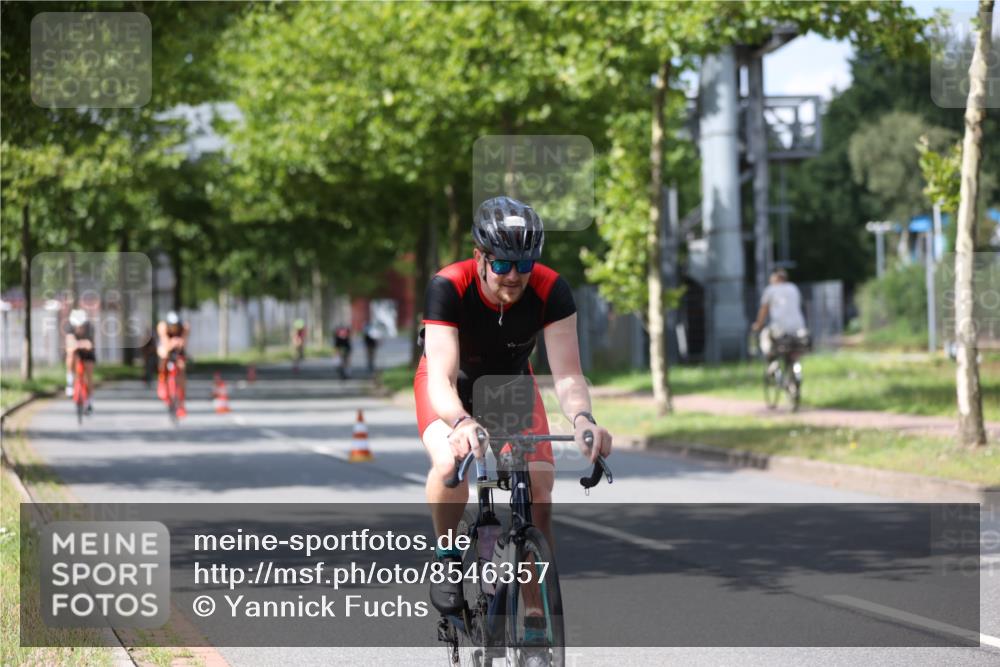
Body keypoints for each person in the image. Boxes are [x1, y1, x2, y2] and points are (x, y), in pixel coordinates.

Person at [415, 195, 613, 617]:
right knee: (449, 464)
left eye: (523, 264)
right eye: (502, 264)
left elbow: (568, 376)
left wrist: (583, 419)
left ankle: (536, 617)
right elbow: (441, 379)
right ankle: (447, 556)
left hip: (511, 385)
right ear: (479, 257)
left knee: (539, 488)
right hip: (450, 386)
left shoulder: (551, 289)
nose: (513, 276)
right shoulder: (448, 285)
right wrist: (461, 422)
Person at [751, 268, 808, 359]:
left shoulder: (770, 290)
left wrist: (758, 324)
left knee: (765, 338)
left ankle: (771, 361)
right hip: (798, 327)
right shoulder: (793, 288)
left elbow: (763, 310)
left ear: (775, 278)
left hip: (779, 328)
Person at [157, 311, 190, 417]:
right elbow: (165, 343)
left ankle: (181, 402)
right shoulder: (162, 326)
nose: (174, 328)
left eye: (176, 325)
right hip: (166, 347)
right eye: (172, 326)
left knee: (182, 367)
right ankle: (162, 381)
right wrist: (173, 343)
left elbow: (184, 343)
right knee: (163, 355)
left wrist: (179, 344)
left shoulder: (185, 327)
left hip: (178, 350)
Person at [65, 309, 95, 412]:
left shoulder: (90, 328)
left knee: (89, 376)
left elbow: (90, 346)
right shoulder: (69, 327)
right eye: (77, 326)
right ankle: (70, 381)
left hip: (88, 354)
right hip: (75, 352)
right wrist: (82, 344)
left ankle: (89, 401)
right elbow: (69, 345)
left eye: (81, 326)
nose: (79, 329)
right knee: (70, 354)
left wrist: (77, 344)